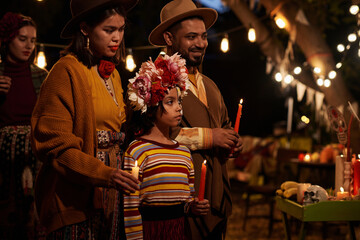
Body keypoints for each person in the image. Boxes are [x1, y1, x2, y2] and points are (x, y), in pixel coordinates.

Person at [30, 0, 140, 239]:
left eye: (121, 29)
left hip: (111, 196)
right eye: (109, 30)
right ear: (84, 29)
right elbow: (55, 145)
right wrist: (104, 173)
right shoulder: (66, 71)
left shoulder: (113, 75)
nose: (117, 38)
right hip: (74, 197)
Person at [148, 0, 243, 239]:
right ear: (169, 39)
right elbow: (150, 135)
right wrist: (211, 137)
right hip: (179, 202)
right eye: (191, 37)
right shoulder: (154, 81)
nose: (200, 43)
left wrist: (233, 141)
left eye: (203, 36)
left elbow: (225, 127)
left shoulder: (210, 84)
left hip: (216, 200)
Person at [123, 53, 210, 240]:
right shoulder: (137, 150)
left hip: (178, 231)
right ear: (151, 106)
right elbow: (130, 206)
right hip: (150, 232)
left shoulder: (184, 152)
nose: (179, 108)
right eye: (170, 102)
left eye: (179, 101)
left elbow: (186, 199)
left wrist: (193, 206)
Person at [0, 12, 48, 239]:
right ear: (8, 38)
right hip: (3, 159)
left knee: (33, 219)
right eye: (22, 38)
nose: (29, 45)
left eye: (33, 40)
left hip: (34, 158)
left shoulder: (42, 77)